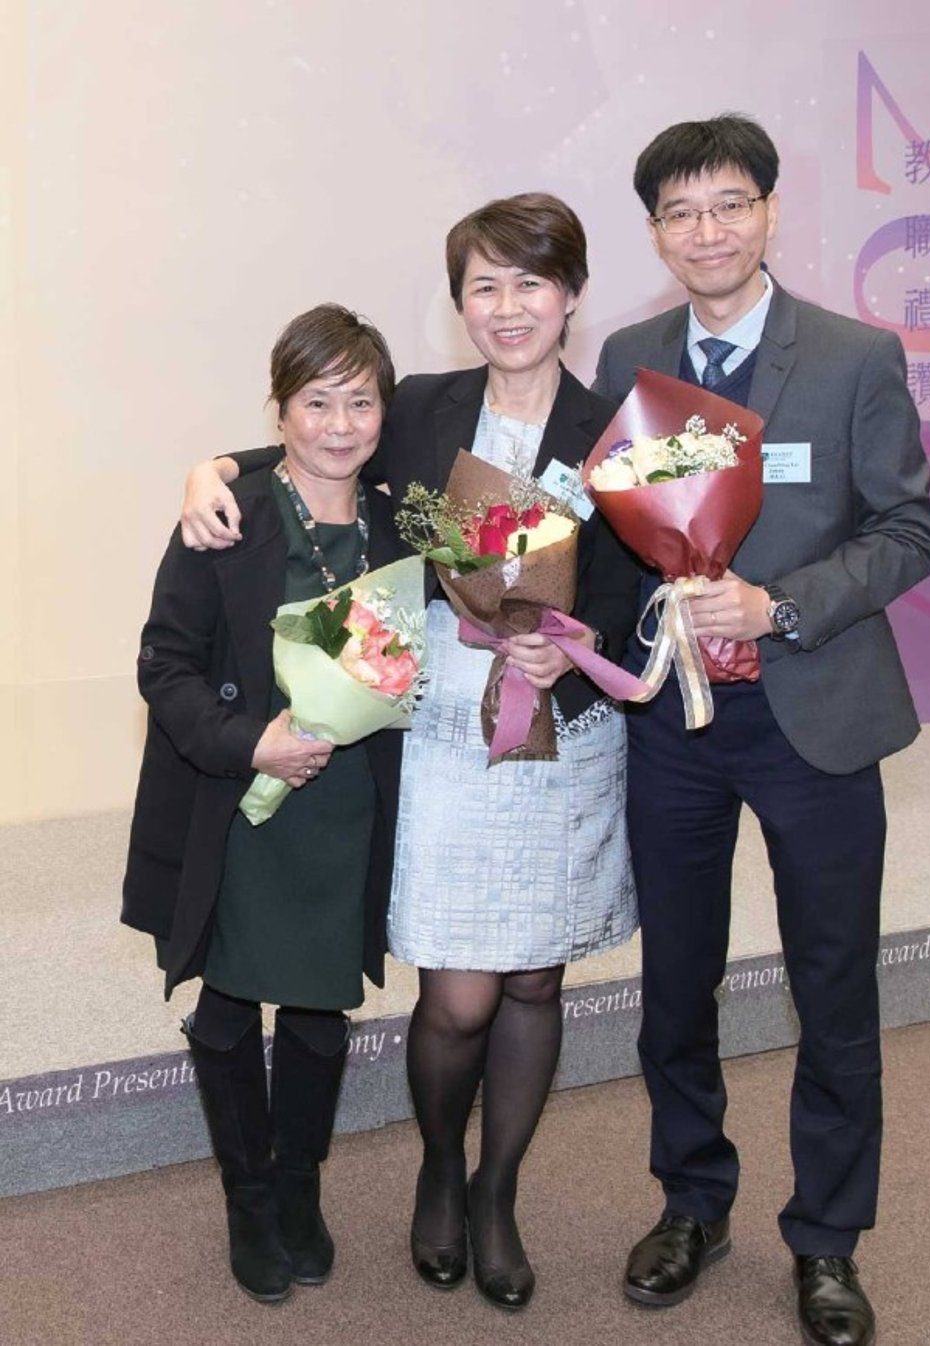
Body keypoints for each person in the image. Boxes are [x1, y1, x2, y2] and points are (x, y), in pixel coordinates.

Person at [178, 193, 642, 1310]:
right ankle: (440, 1162)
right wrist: (215, 467)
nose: (507, 306)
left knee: (536, 976)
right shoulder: (429, 410)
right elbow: (318, 436)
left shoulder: (618, 428)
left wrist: (572, 656)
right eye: (483, 285)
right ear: (459, 307)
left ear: (571, 293)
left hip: (563, 740)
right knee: (460, 992)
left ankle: (495, 1192)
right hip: (442, 731)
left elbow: (643, 578)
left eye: (529, 281)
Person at [592, 115, 930, 1346]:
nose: (706, 232)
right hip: (674, 725)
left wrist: (778, 605)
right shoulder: (629, 356)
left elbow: (906, 532)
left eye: (728, 205)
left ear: (771, 213)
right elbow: (596, 527)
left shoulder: (852, 356)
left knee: (831, 983)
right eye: (680, 213)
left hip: (815, 716)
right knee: (674, 982)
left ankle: (829, 1238)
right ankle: (692, 1200)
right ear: (654, 232)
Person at [122, 304, 408, 1305]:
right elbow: (163, 662)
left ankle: (299, 1187)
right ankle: (248, 1195)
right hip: (242, 797)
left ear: (385, 409)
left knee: (325, 1001)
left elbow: (491, 575)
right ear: (280, 409)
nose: (339, 422)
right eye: (315, 400)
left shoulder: (400, 513)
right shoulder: (225, 516)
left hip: (349, 808)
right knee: (232, 998)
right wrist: (254, 740)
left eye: (359, 399)